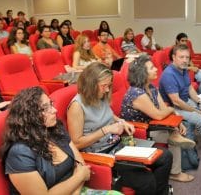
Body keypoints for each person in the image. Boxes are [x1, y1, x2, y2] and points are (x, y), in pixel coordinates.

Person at [67, 62, 173, 195]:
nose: (107, 90)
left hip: (119, 146)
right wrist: (106, 130)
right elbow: (76, 143)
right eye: (104, 86)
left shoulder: (100, 95)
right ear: (91, 84)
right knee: (147, 181)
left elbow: (109, 114)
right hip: (103, 156)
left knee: (165, 156)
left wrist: (122, 121)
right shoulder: (77, 106)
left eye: (108, 85)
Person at [0, 87, 91, 194]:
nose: (54, 110)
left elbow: (81, 165)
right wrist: (79, 176)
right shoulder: (19, 153)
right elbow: (82, 174)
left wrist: (78, 186)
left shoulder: (55, 128)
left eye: (51, 104)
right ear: (29, 116)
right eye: (45, 108)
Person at [121, 54, 195, 182]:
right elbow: (159, 114)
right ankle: (175, 172)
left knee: (180, 128)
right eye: (151, 68)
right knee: (173, 137)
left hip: (152, 125)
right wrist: (173, 110)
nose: (156, 69)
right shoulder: (136, 93)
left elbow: (162, 108)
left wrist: (177, 122)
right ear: (142, 74)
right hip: (136, 133)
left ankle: (175, 136)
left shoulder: (151, 87)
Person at [159, 44, 201, 150]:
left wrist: (200, 102)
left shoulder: (183, 69)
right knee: (200, 118)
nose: (185, 60)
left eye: (187, 57)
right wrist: (196, 111)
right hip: (173, 108)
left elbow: (190, 88)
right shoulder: (169, 74)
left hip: (185, 101)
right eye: (181, 57)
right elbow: (177, 102)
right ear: (174, 57)